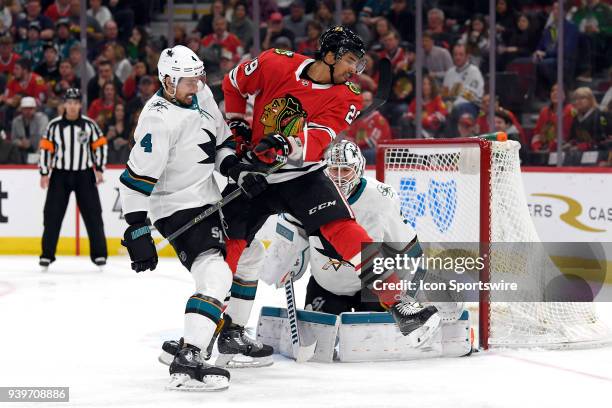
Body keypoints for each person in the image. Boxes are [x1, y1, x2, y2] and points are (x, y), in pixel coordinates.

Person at [221, 25, 440, 345]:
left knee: (343, 225)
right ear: (329, 55)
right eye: (351, 60)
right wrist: (238, 127)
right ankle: (219, 332)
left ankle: (399, 305)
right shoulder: (274, 63)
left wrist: (285, 145)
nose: (356, 70)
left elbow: (319, 139)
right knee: (232, 246)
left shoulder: (347, 95)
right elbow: (232, 85)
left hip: (303, 174)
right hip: (256, 173)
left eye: (359, 63)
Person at [118, 45, 272, 391]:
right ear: (167, 81)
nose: (196, 84)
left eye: (197, 77)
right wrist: (137, 226)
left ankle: (231, 333)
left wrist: (235, 168)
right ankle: (189, 356)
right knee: (214, 274)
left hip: (207, 197)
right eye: (187, 80)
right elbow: (134, 179)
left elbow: (220, 143)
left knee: (250, 254)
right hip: (175, 207)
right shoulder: (156, 119)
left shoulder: (201, 93)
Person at [38, 88, 108, 270]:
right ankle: (47, 255)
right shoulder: (53, 126)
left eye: (75, 102)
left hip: (84, 173)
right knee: (52, 215)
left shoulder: (89, 125)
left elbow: (100, 145)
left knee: (93, 214)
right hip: (59, 175)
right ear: (64, 104)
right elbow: (46, 149)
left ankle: (99, 255)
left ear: (79, 105)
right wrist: (44, 172)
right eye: (68, 102)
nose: (72, 106)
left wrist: (99, 168)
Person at [11, 96, 48, 163]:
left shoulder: (42, 119)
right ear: (21, 109)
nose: (28, 111)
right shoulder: (16, 121)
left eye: (30, 109)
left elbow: (44, 137)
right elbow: (13, 139)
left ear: (35, 109)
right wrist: (20, 143)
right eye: (25, 109)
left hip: (38, 150)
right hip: (21, 152)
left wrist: (38, 154)